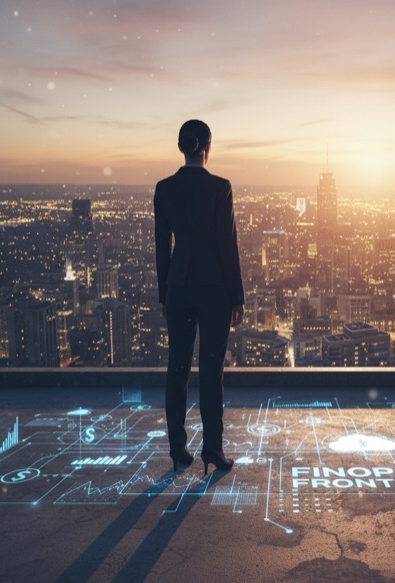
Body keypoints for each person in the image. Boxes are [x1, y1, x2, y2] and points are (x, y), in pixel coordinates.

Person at [154, 119, 245, 475]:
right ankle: (213, 449)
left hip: (178, 286)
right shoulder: (220, 187)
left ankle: (178, 450)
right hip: (214, 291)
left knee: (177, 369)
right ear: (208, 147)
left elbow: (163, 247)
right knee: (211, 371)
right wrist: (236, 295)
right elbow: (228, 245)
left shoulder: (164, 189)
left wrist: (166, 293)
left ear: (181, 147)